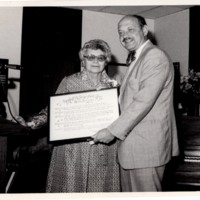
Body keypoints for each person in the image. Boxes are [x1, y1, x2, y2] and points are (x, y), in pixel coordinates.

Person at [16, 39, 120, 192]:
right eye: (90, 57)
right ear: (83, 59)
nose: (95, 62)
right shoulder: (69, 82)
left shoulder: (114, 85)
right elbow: (53, 110)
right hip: (73, 148)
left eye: (100, 57)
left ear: (107, 61)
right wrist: (32, 124)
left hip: (103, 148)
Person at [92, 15, 180, 192]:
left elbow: (143, 101)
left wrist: (111, 130)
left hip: (146, 148)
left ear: (145, 30)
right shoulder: (137, 59)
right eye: (120, 32)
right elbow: (130, 100)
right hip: (133, 148)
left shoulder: (154, 56)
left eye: (130, 30)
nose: (124, 35)